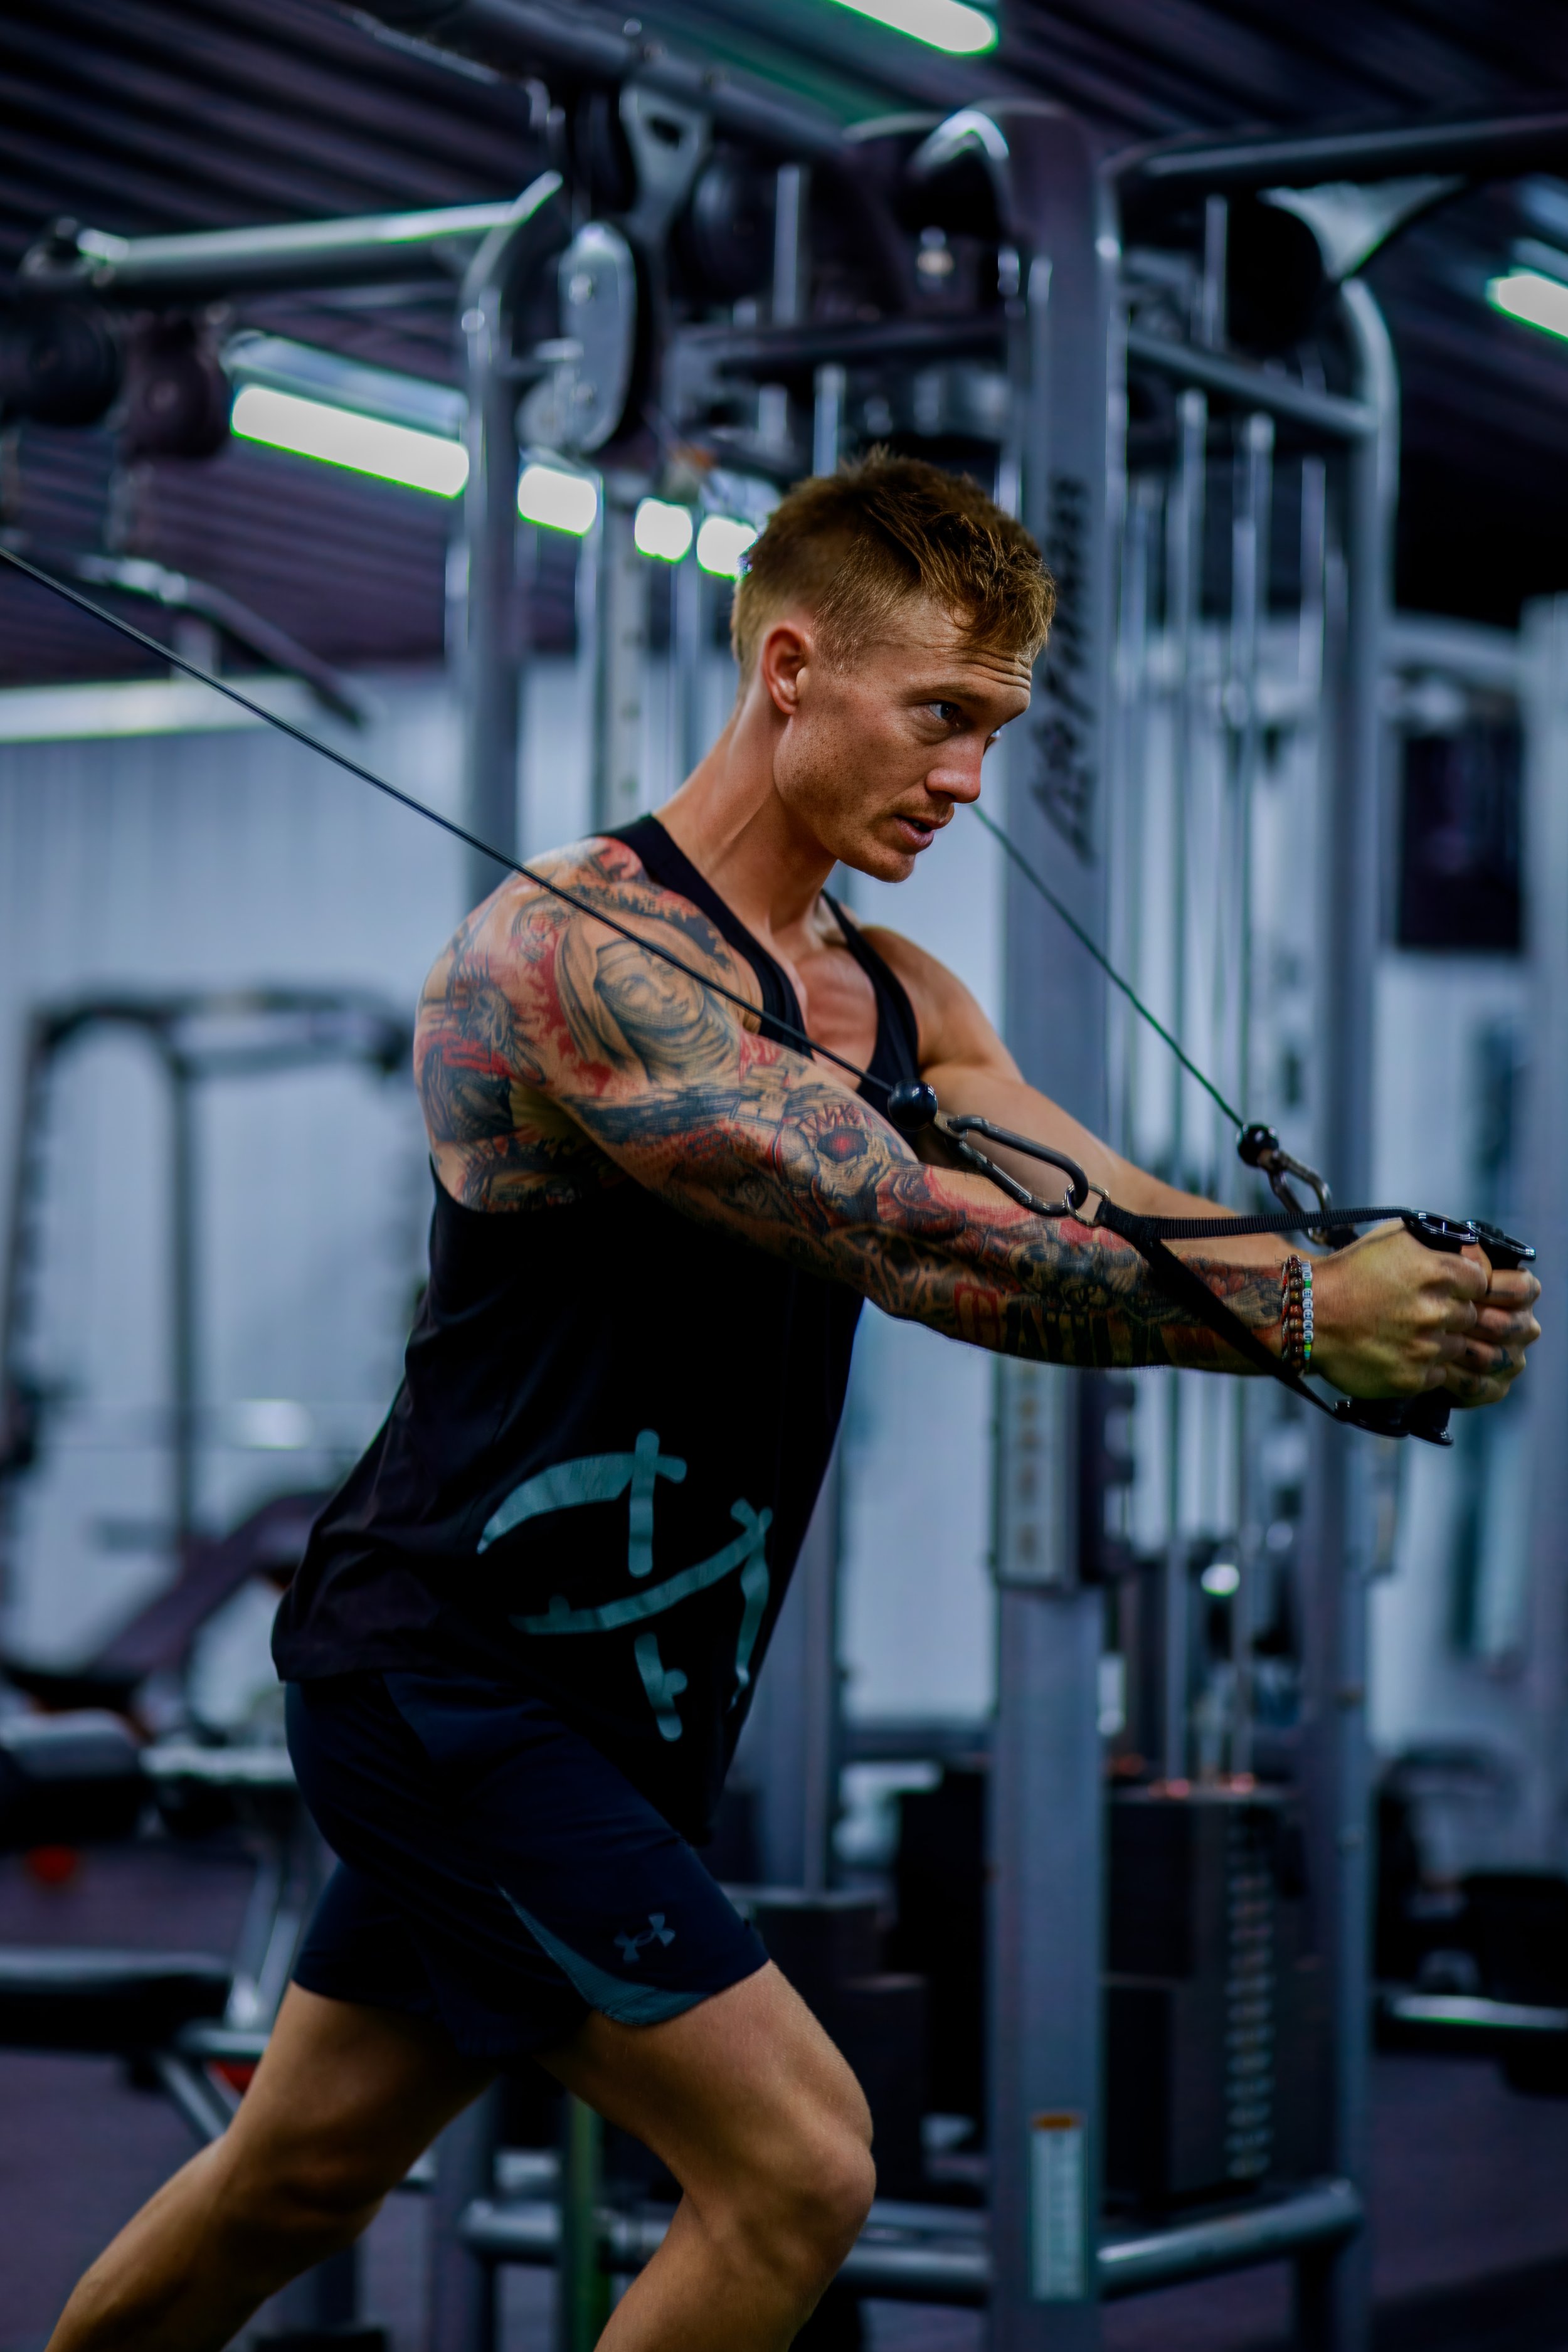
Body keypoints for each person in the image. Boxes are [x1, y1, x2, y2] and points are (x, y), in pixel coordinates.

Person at [48, 456, 1539, 2352]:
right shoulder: (574, 956)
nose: (968, 778)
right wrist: (1310, 1316)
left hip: (639, 1709)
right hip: (452, 1681)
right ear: (789, 669)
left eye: (994, 731)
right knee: (799, 2169)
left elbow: (1116, 1214)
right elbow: (907, 1238)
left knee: (300, 2173)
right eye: (939, 716)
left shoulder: (901, 993)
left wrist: (1358, 1264)